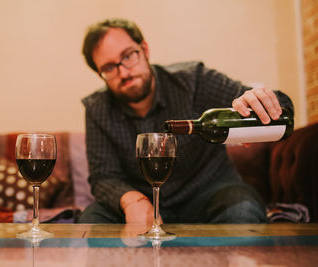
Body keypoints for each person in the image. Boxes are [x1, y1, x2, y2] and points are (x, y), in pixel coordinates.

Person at [78, 18, 293, 225]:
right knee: (92, 220)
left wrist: (263, 102)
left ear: (144, 50)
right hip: (144, 201)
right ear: (100, 74)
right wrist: (131, 200)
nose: (123, 72)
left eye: (128, 56)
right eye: (108, 68)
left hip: (209, 192)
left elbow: (277, 105)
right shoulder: (97, 108)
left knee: (242, 209)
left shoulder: (194, 81)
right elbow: (103, 177)